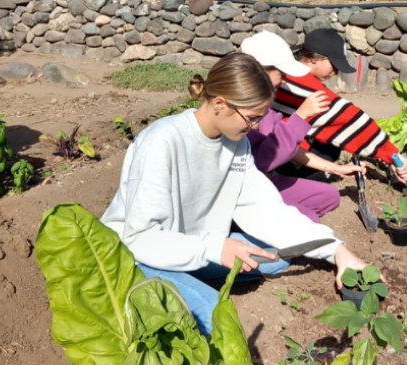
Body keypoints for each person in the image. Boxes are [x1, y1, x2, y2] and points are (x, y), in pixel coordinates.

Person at [100, 53, 374, 336]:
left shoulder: (236, 146)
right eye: (252, 118)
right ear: (220, 103)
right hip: (137, 255)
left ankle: (182, 280)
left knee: (275, 257)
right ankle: (150, 290)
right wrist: (214, 249)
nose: (254, 127)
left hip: (192, 245)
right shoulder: (162, 141)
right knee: (215, 319)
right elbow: (140, 237)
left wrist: (336, 249)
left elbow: (269, 210)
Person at [241, 32, 365, 222]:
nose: (284, 81)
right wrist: (301, 116)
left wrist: (334, 168)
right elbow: (267, 159)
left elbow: (288, 148)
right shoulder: (242, 112)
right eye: (281, 75)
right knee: (307, 219)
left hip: (265, 177)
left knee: (328, 197)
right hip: (245, 187)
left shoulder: (266, 109)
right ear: (260, 72)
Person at [272, 28, 407, 183]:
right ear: (315, 58)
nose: (336, 72)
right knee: (332, 143)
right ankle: (281, 178)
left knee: (332, 140)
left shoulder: (288, 65)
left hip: (271, 141)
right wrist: (393, 155)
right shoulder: (296, 78)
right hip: (270, 151)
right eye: (334, 64)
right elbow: (346, 117)